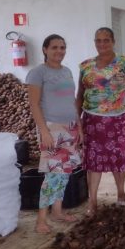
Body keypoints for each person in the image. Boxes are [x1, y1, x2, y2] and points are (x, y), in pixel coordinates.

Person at [77, 27, 125, 215]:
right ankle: (93, 202)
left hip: (118, 119)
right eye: (98, 40)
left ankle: (121, 196)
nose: (102, 44)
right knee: (93, 160)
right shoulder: (85, 66)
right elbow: (80, 95)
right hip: (92, 120)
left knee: (118, 157)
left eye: (106, 40)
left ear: (113, 41)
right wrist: (77, 121)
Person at [26, 34, 81, 234]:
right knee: (52, 174)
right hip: (51, 128)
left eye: (63, 47)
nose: (59, 51)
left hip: (70, 127)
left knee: (65, 172)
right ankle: (41, 219)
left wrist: (79, 127)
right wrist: (44, 131)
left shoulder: (66, 72)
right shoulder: (37, 73)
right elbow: (34, 104)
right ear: (45, 49)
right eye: (55, 47)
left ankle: (57, 211)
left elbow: (72, 101)